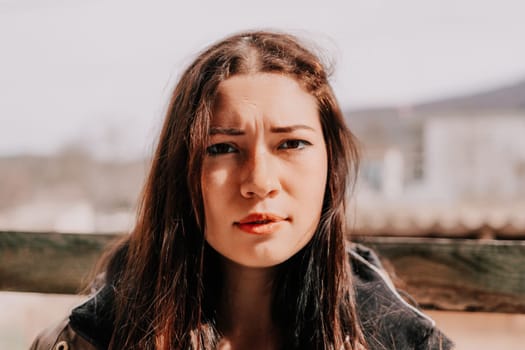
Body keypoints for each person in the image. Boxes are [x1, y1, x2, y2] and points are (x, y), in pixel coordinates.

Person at [30, 30, 453, 350]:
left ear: (332, 165)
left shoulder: (400, 340)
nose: (258, 182)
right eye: (222, 149)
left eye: (291, 144)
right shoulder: (91, 338)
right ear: (180, 172)